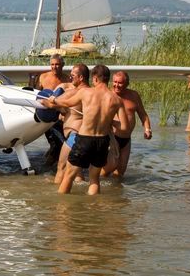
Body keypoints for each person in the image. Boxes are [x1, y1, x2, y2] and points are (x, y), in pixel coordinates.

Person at [55, 64, 122, 195]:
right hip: (102, 141)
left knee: (68, 176)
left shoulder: (86, 92)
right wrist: (108, 121)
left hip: (85, 139)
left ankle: (61, 211)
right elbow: (124, 126)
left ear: (95, 79)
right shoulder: (116, 99)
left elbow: (66, 103)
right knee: (94, 179)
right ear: (108, 79)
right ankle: (93, 210)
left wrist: (52, 100)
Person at [41, 63, 90, 188]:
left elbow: (51, 104)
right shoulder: (92, 93)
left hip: (74, 137)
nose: (70, 78)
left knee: (61, 168)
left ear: (81, 78)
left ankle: (57, 199)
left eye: (73, 75)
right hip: (88, 137)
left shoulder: (73, 93)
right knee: (77, 171)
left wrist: (44, 100)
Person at [104, 71, 152, 178]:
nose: (116, 85)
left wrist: (147, 129)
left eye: (120, 83)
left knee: (120, 172)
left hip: (126, 139)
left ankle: (115, 193)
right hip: (112, 138)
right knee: (108, 169)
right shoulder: (108, 95)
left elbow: (143, 115)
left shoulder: (134, 95)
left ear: (127, 83)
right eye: (115, 82)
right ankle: (98, 189)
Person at [34, 54, 71, 163]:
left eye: (57, 64)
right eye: (52, 65)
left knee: (60, 143)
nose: (55, 67)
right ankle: (49, 166)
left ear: (63, 65)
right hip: (45, 115)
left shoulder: (67, 79)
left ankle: (51, 164)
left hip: (60, 115)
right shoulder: (43, 77)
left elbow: (70, 99)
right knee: (55, 143)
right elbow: (36, 95)